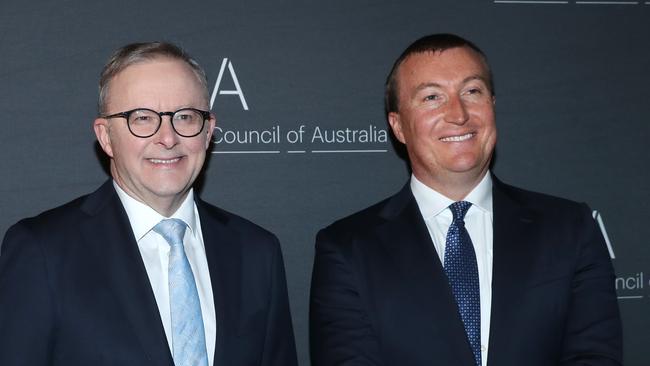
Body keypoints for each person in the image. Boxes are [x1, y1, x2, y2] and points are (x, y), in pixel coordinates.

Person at [310, 34, 622, 366]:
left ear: (493, 105)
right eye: (432, 97)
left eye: (472, 91)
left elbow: (594, 356)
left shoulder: (570, 229)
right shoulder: (348, 248)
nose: (458, 114)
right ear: (398, 126)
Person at [0, 42, 298, 366]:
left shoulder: (256, 252)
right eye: (142, 118)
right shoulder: (43, 251)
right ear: (105, 136)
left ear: (209, 130)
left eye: (184, 116)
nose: (168, 138)